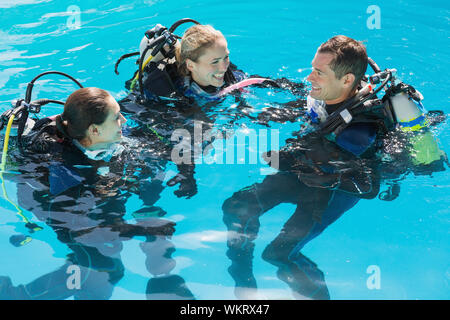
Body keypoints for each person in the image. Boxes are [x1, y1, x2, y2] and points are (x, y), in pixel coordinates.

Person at [221, 35, 390, 299]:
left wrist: (281, 159)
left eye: (319, 72)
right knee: (236, 208)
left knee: (278, 254)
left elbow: (329, 164)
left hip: (334, 190)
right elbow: (310, 119)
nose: (309, 78)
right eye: (313, 68)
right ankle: (244, 287)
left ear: (346, 80)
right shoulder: (325, 97)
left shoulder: (360, 131)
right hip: (305, 172)